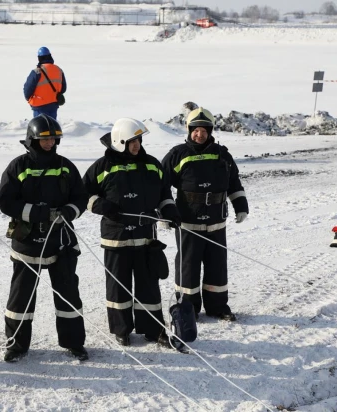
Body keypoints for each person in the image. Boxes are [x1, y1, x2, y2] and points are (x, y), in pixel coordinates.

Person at [82, 118, 181, 348]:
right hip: (116, 240)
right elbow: (82, 193)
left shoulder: (151, 165)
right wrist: (101, 205)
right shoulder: (102, 167)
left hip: (145, 238)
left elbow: (164, 193)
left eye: (139, 140)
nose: (136, 145)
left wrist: (170, 211)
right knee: (119, 286)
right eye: (131, 141)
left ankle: (153, 329)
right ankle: (121, 329)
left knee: (149, 287)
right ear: (119, 142)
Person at [0, 114, 88, 362]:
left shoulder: (66, 165)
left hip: (61, 241)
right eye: (45, 139)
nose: (50, 144)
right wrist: (37, 213)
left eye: (54, 139)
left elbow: (81, 198)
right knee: (21, 295)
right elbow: (6, 202)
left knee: (68, 293)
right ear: (32, 139)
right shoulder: (18, 166)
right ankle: (16, 345)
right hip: (27, 242)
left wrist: (70, 211)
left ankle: (74, 342)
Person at [161, 107, 248, 322]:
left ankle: (217, 306)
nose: (199, 134)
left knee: (217, 265)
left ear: (210, 131)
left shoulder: (222, 154)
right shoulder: (178, 154)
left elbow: (233, 181)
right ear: (189, 130)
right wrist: (164, 211)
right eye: (195, 130)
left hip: (217, 222)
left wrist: (241, 205)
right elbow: (161, 185)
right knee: (188, 266)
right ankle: (188, 308)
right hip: (188, 223)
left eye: (204, 130)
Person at [23, 46, 67, 120]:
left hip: (39, 106)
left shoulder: (37, 71)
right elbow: (63, 88)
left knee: (41, 128)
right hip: (53, 105)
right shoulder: (59, 70)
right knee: (52, 127)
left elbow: (27, 89)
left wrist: (29, 98)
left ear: (39, 58)